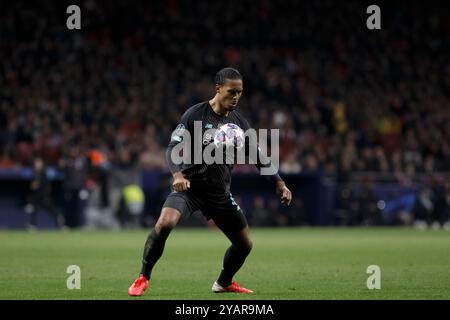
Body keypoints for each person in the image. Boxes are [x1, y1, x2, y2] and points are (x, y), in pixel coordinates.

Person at [128, 68, 292, 296]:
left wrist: (279, 182)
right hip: (191, 188)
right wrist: (177, 175)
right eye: (231, 92)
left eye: (240, 93)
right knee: (165, 222)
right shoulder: (195, 114)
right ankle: (142, 277)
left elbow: (257, 155)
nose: (236, 97)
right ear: (218, 89)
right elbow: (172, 148)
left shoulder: (239, 123)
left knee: (245, 245)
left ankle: (224, 282)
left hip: (219, 194)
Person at [26, 157, 65, 229]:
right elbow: (32, 186)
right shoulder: (34, 174)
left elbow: (47, 187)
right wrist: (32, 186)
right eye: (36, 163)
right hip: (36, 197)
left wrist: (45, 195)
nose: (37, 165)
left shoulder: (44, 174)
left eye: (39, 163)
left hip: (44, 196)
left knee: (52, 211)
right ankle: (32, 225)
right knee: (33, 211)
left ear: (42, 164)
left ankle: (61, 224)